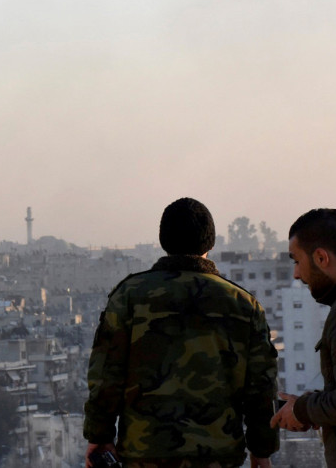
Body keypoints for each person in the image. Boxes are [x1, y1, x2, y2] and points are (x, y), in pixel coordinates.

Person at [84, 198, 279, 468]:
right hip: (218, 454)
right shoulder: (242, 303)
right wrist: (262, 450)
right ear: (210, 244)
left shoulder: (130, 295)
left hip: (145, 452)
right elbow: (261, 387)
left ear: (164, 242)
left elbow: (106, 374)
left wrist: (99, 436)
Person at [271, 209, 336, 467]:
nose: (296, 274)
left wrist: (302, 409)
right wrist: (310, 406)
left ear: (321, 257)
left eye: (297, 261)